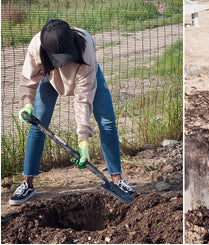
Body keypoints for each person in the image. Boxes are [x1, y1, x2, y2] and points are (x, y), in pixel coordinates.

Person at [9, 19, 135, 206]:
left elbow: (83, 98)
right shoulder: (37, 45)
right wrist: (27, 103)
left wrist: (83, 139)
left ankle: (117, 180)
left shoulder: (85, 44)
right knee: (38, 125)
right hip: (49, 77)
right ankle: (27, 183)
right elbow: (28, 79)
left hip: (86, 74)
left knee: (107, 122)